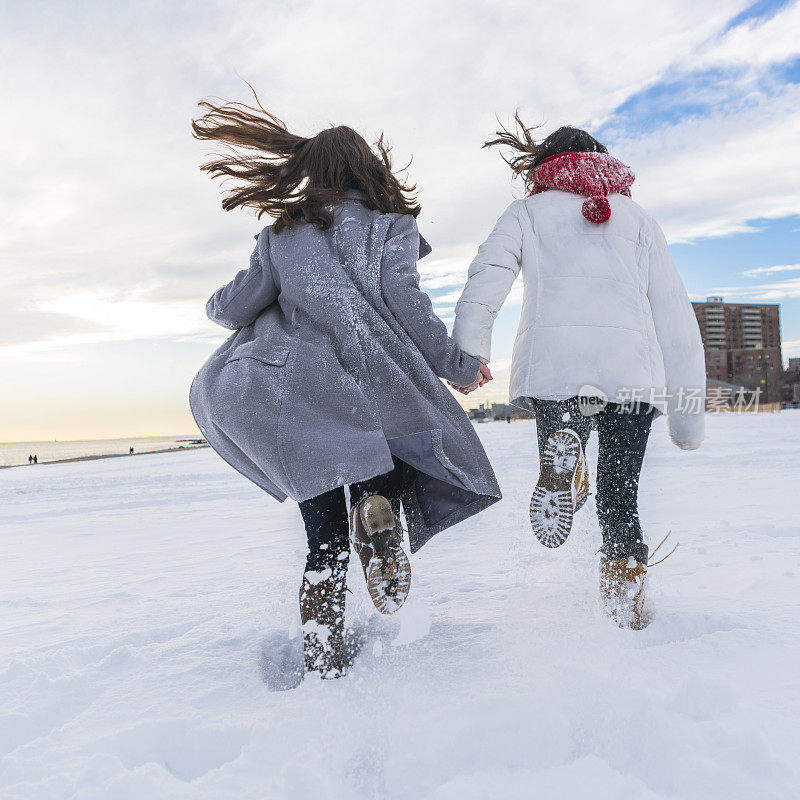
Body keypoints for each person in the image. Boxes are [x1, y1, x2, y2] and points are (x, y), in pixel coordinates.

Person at [189, 94, 501, 678]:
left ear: (312, 172)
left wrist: (216, 299)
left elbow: (234, 309)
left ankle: (322, 651)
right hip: (369, 383)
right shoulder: (393, 227)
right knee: (394, 450)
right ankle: (378, 509)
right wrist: (456, 364)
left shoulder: (282, 235)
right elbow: (406, 302)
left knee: (324, 538)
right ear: (370, 169)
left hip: (295, 391)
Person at [452, 118, 705, 629]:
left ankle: (567, 458)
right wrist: (687, 420)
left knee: (565, 432)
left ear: (543, 167)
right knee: (620, 501)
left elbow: (487, 279)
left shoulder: (525, 213)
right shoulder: (637, 219)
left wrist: (468, 353)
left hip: (556, 371)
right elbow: (675, 317)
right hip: (630, 377)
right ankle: (626, 614)